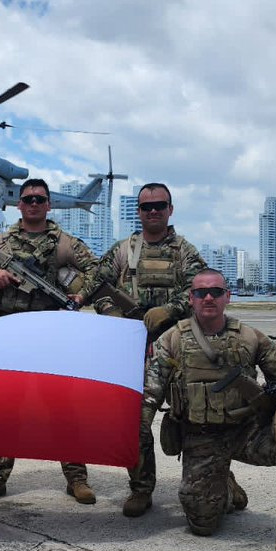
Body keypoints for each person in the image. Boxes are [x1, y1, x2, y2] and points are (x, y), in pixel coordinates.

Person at [146, 268, 276, 551]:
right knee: (202, 524)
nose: (209, 297)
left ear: (227, 297)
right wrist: (138, 428)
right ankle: (226, 486)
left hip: (248, 433)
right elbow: (151, 391)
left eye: (216, 292)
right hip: (200, 437)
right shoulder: (172, 339)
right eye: (201, 292)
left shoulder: (250, 337)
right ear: (190, 298)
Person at [84, 182, 214, 517]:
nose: (153, 211)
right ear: (138, 212)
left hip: (178, 349)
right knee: (135, 421)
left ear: (170, 209)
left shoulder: (185, 251)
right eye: (146, 207)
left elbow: (199, 291)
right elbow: (98, 286)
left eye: (159, 205)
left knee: (196, 420)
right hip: (134, 351)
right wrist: (113, 314)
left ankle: (220, 480)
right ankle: (141, 488)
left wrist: (169, 310)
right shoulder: (123, 251)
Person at [0, 178, 99, 505]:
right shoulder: (0, 242)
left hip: (51, 333)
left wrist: (81, 294)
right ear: (19, 204)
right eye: (28, 199)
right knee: (4, 408)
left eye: (40, 199)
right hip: (8, 333)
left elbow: (98, 270)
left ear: (49, 204)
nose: (34, 204)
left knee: (63, 407)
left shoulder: (65, 243)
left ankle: (76, 477)